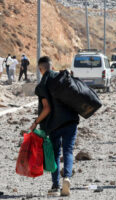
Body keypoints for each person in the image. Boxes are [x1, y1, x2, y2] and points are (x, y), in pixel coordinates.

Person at [31, 56, 79, 197]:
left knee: (56, 154)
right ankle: (67, 178)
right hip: (70, 121)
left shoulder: (42, 85)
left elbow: (46, 109)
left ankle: (55, 186)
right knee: (68, 151)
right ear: (52, 67)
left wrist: (35, 122)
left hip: (54, 125)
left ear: (41, 69)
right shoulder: (63, 78)